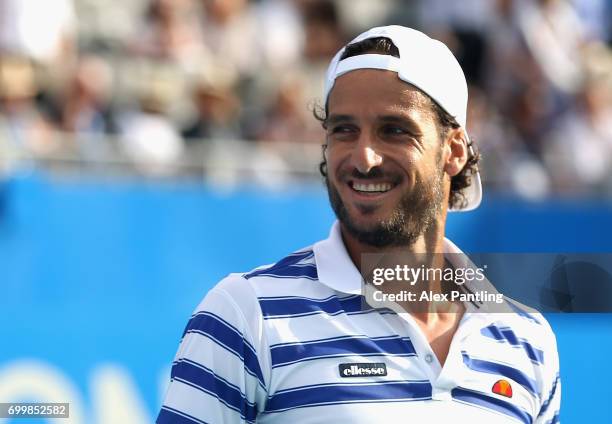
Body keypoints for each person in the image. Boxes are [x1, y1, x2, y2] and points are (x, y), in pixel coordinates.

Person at [157, 25, 561, 423]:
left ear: (453, 150)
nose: (364, 157)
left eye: (394, 130)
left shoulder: (527, 338)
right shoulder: (245, 313)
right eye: (344, 130)